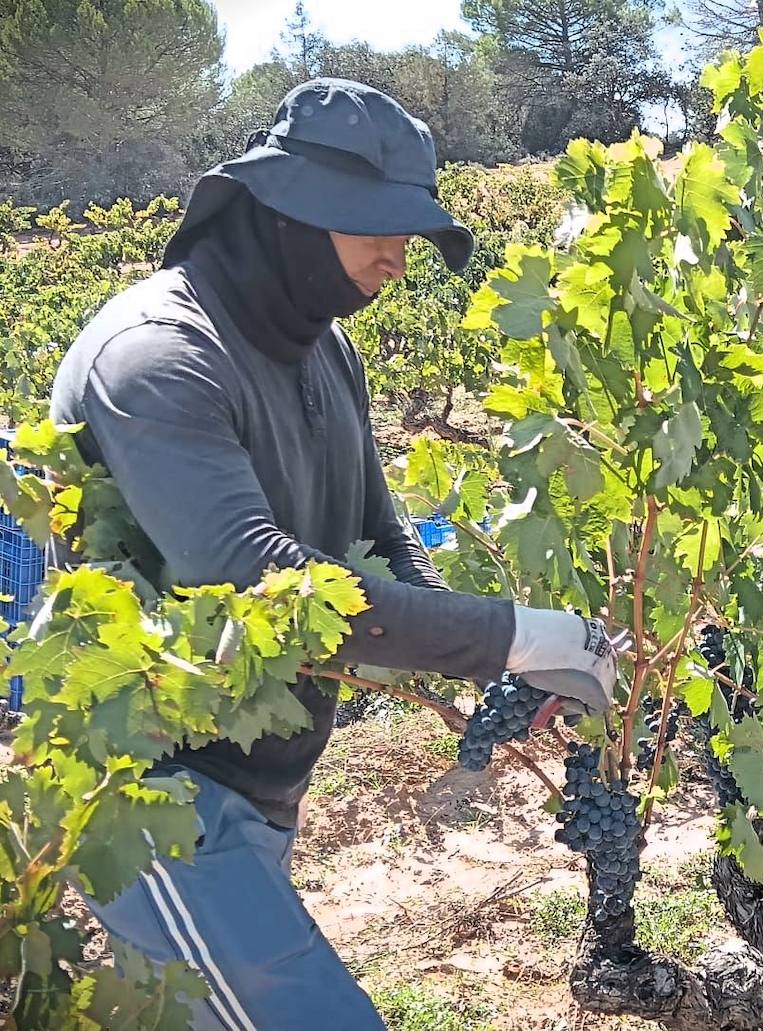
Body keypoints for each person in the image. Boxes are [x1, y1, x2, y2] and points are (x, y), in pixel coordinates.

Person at [48, 78, 617, 1029]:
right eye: (377, 227)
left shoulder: (324, 348)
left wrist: (492, 678)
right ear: (291, 213)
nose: (399, 258)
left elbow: (384, 540)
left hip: (260, 782)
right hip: (150, 793)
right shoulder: (156, 354)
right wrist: (517, 635)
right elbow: (258, 575)